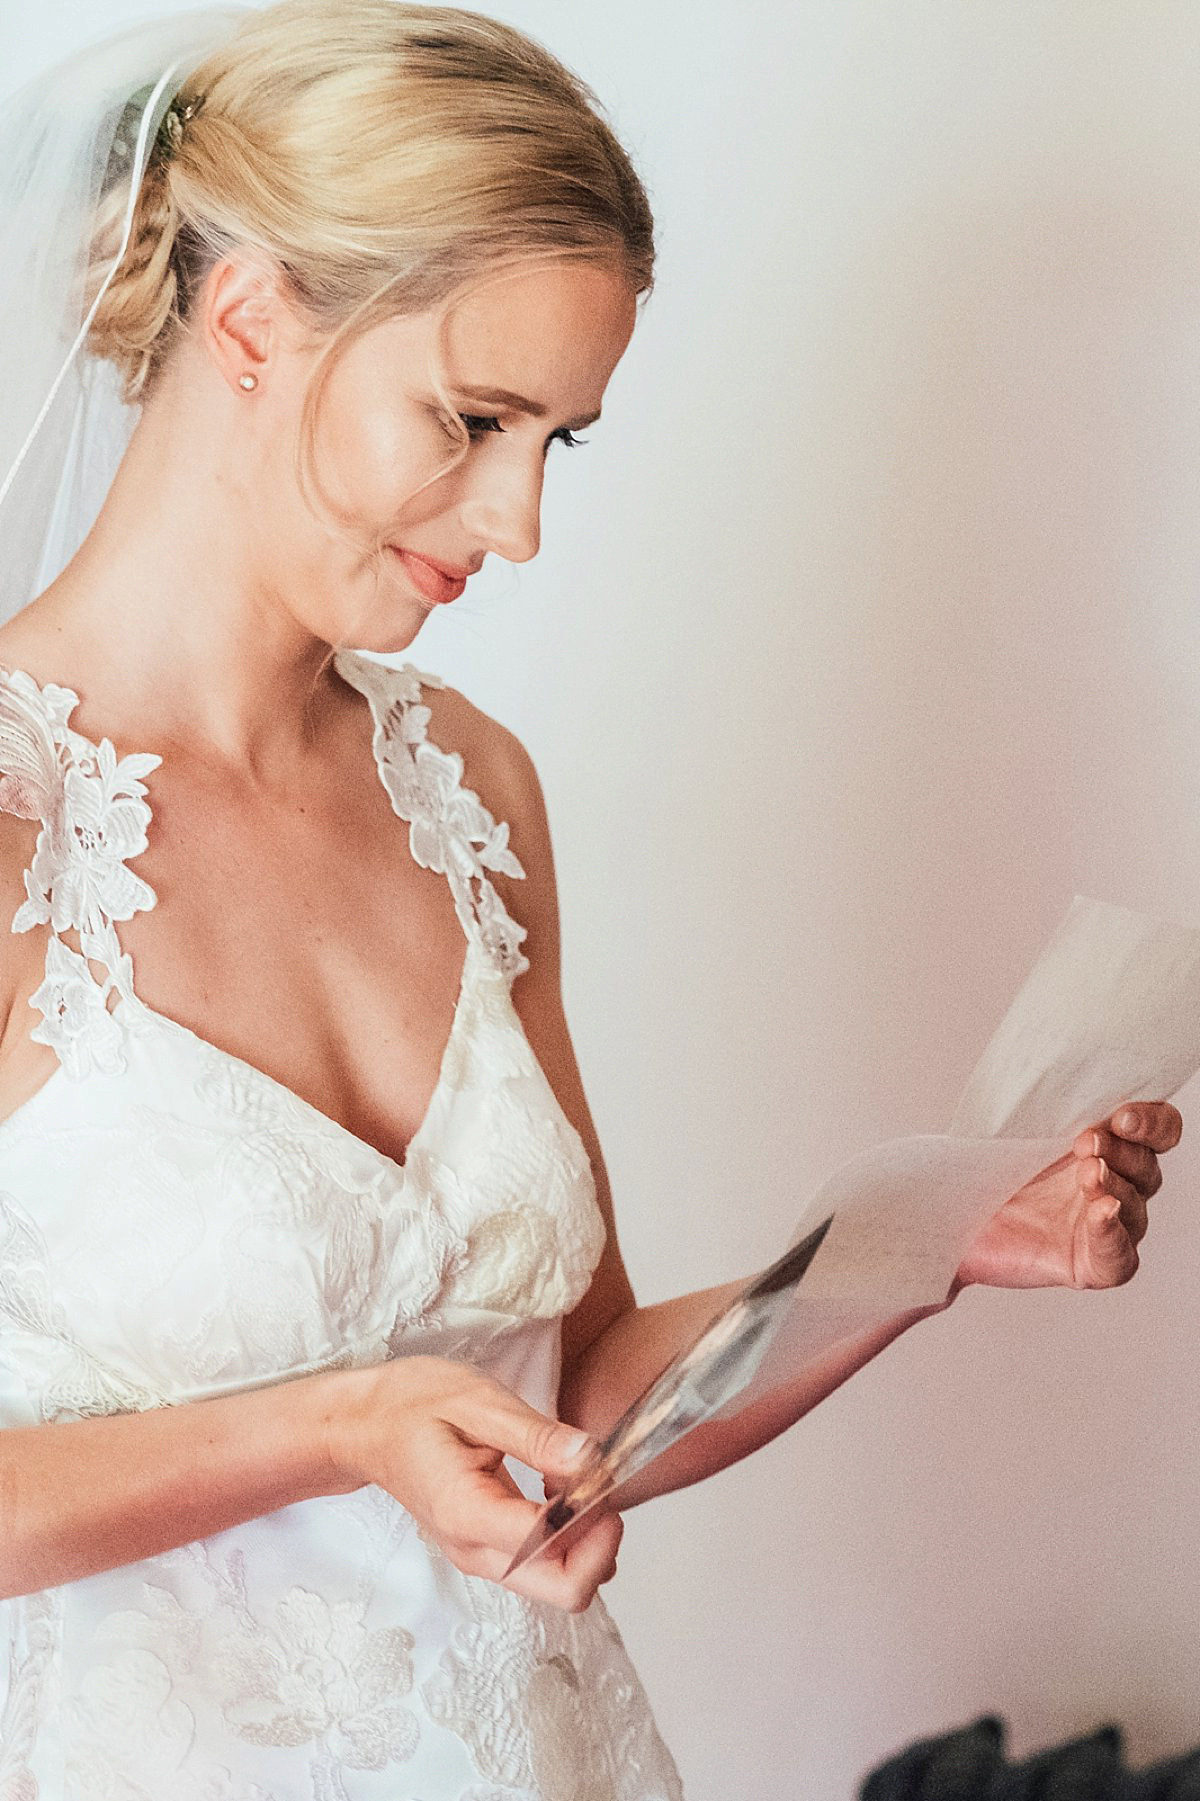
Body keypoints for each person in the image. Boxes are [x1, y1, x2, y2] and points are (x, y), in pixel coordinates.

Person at [0, 2, 1183, 1796]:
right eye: (472, 418)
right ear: (248, 321)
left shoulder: (473, 793)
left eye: (561, 438)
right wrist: (339, 1426)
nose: (523, 520)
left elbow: (573, 1386)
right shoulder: (16, 820)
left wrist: (937, 1249)